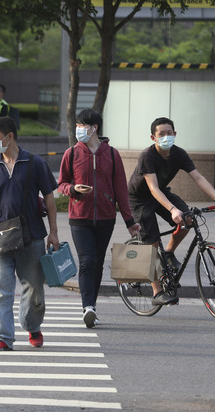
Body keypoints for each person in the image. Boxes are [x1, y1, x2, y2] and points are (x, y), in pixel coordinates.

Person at [128, 117, 215, 306]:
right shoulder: (147, 156)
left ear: (175, 134)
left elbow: (198, 177)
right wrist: (173, 209)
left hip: (162, 193)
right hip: (140, 199)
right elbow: (153, 189)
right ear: (153, 137)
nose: (166, 137)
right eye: (161, 134)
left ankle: (169, 252)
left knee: (188, 220)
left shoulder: (179, 154)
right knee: (151, 243)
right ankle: (157, 292)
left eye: (169, 133)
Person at [0, 116, 59, 351]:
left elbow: (50, 199)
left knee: (34, 289)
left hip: (32, 235)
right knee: (0, 291)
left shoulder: (34, 163)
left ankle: (32, 326)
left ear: (10, 136)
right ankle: (3, 337)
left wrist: (53, 233)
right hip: (0, 236)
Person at [58, 109, 141, 328]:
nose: (78, 130)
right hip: (79, 217)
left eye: (82, 126)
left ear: (94, 128)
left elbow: (121, 190)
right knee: (87, 260)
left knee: (98, 262)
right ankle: (88, 308)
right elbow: (61, 184)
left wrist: (130, 221)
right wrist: (73, 189)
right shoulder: (72, 153)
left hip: (105, 218)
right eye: (77, 125)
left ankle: (91, 305)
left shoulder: (112, 154)